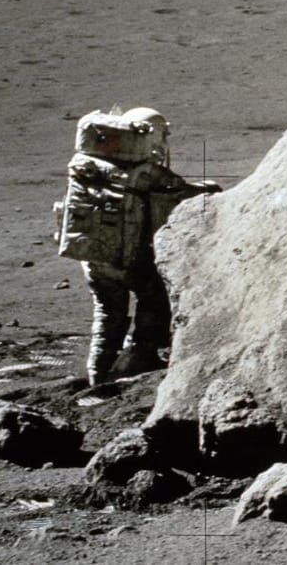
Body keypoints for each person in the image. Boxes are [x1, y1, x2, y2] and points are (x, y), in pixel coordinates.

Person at [54, 106, 219, 386]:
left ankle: (99, 375)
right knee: (154, 299)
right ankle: (141, 356)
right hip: (129, 259)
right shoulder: (146, 171)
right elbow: (180, 190)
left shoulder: (91, 166)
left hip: (95, 257)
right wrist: (209, 189)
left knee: (107, 313)